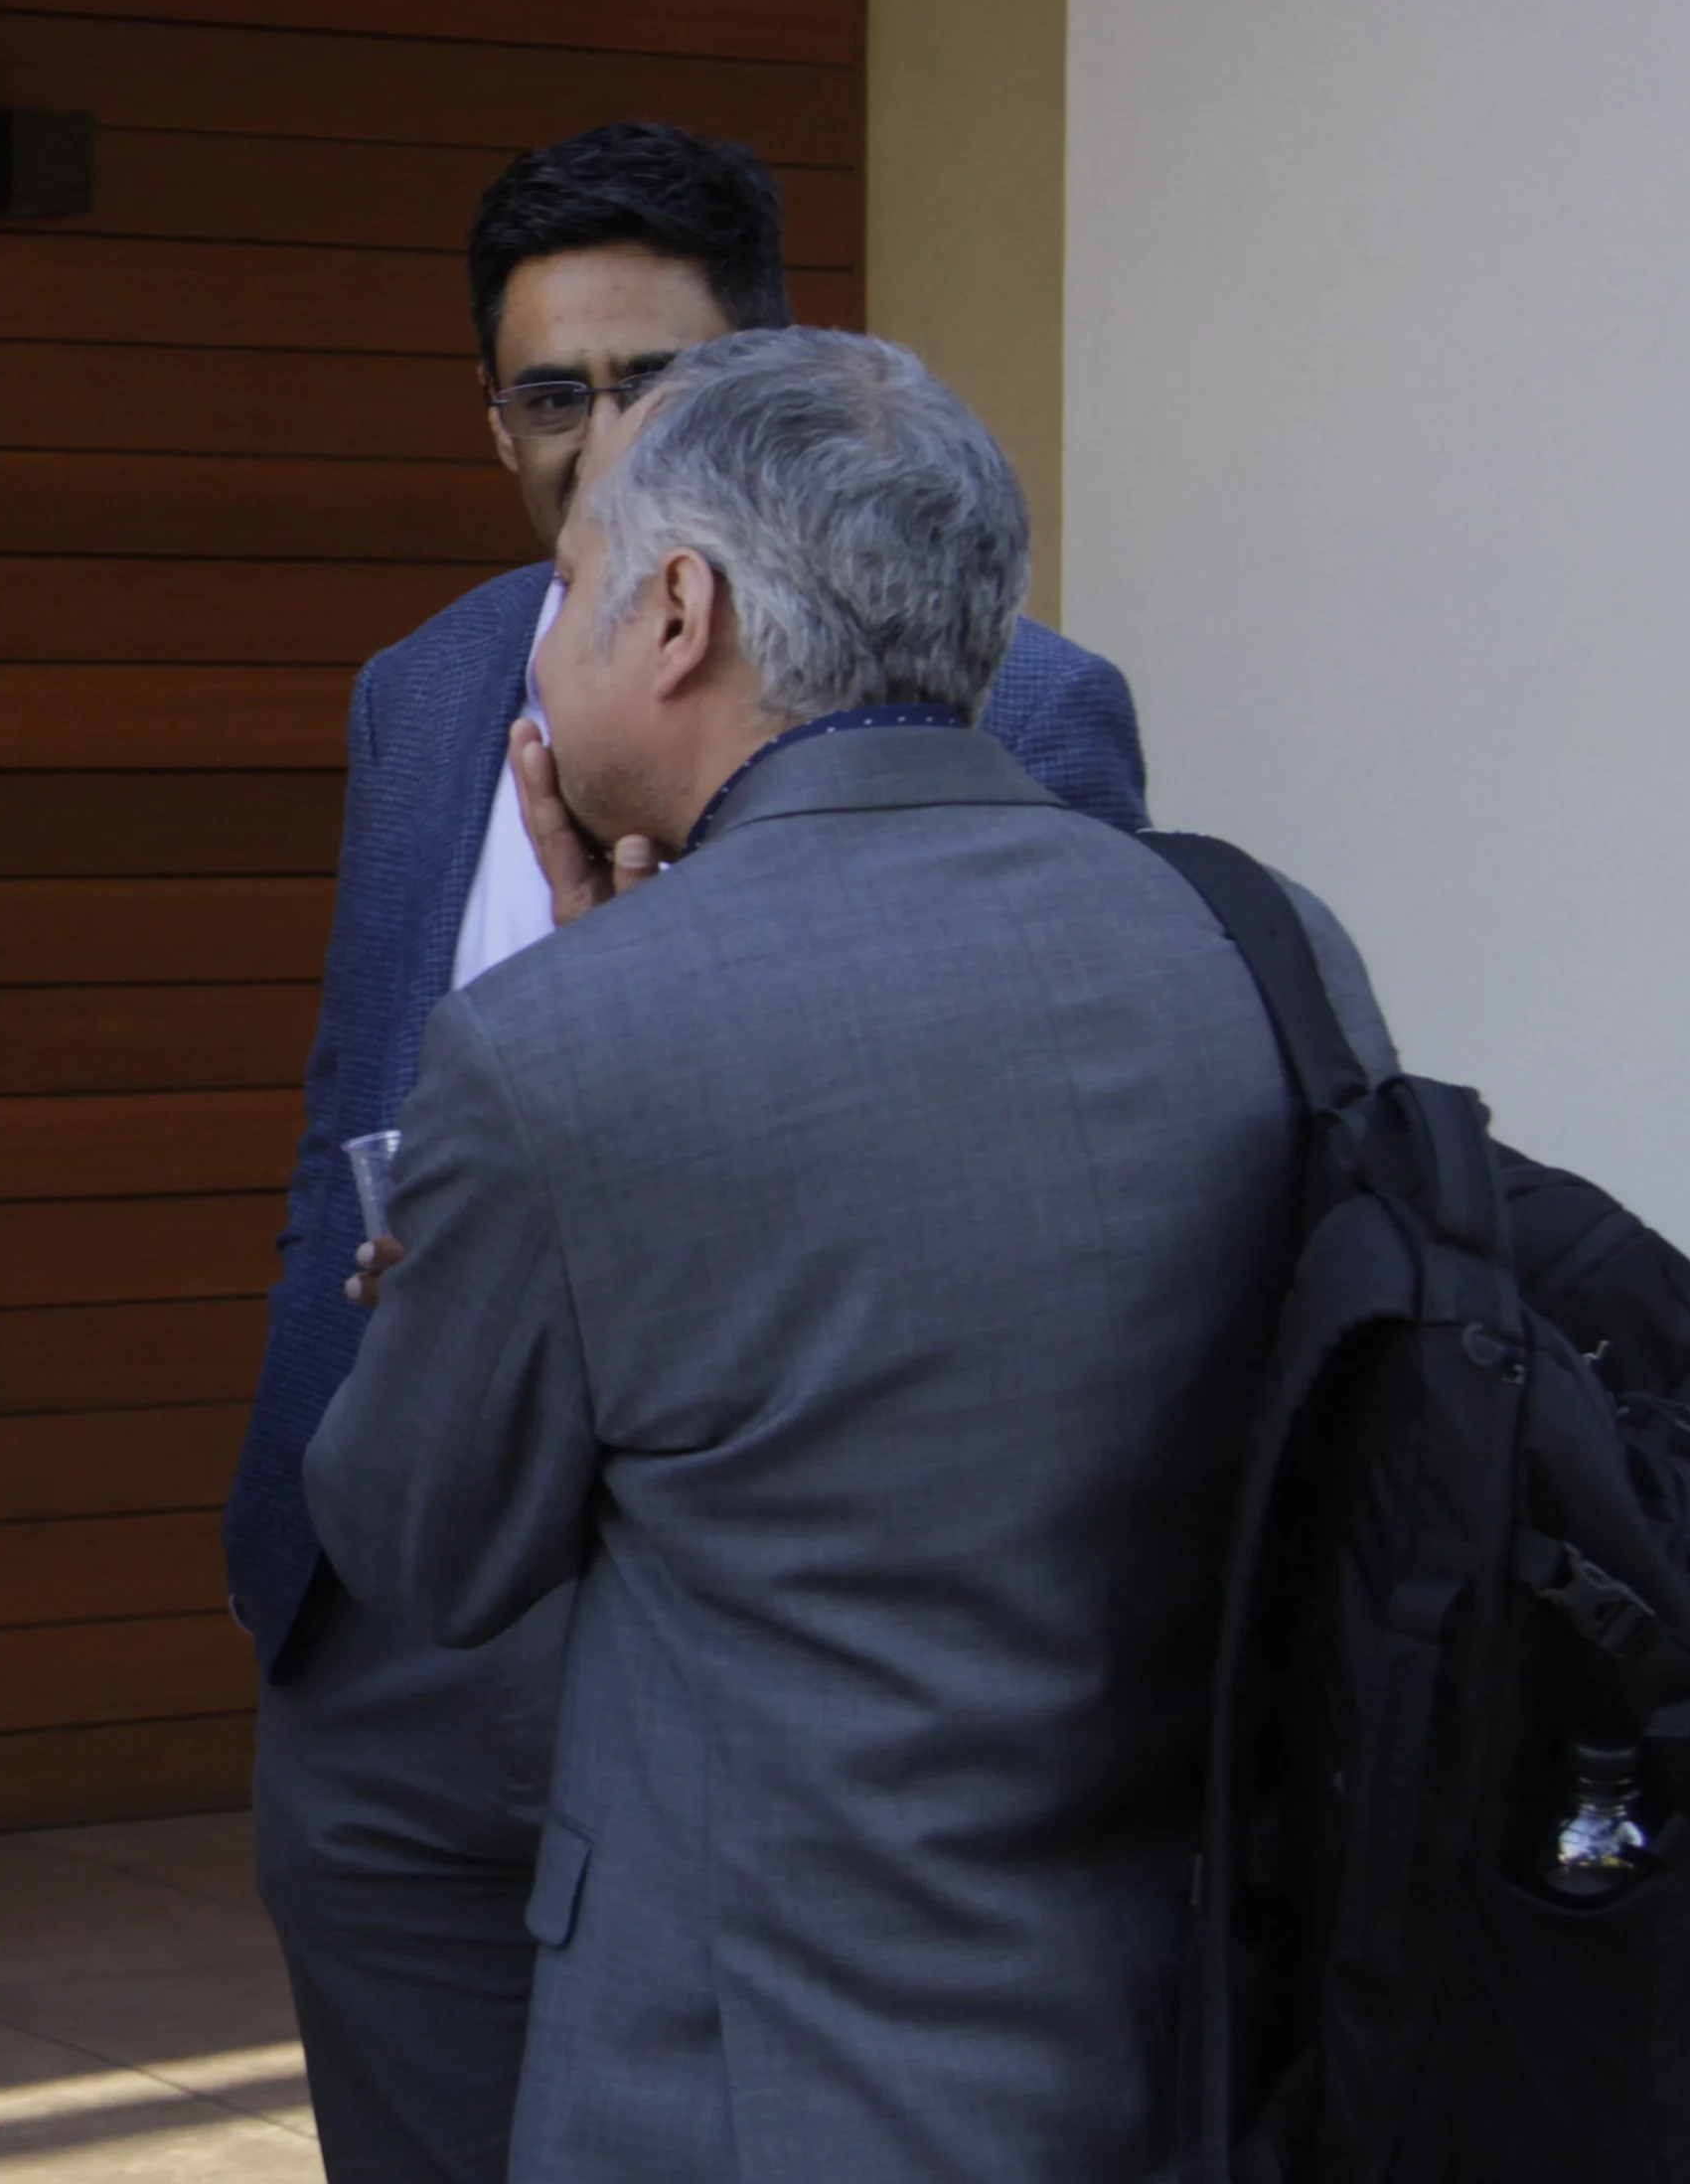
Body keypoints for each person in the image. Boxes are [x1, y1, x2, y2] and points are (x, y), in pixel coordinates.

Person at [310, 326, 1389, 2179]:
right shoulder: (1263, 941)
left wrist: (455, 1264)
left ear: (679, 612)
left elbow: (421, 1545)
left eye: (565, 594)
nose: (540, 653)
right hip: (1202, 2012)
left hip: (744, 2068)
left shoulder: (567, 1042)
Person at [224, 120, 1153, 2177]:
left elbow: (999, 1165)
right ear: (493, 420)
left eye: (655, 381)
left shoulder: (1023, 701)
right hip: (390, 1600)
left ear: (775, 380)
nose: (602, 438)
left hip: (735, 1643)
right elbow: (356, 1081)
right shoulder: (426, 685)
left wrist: (663, 1039)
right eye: (554, 393)